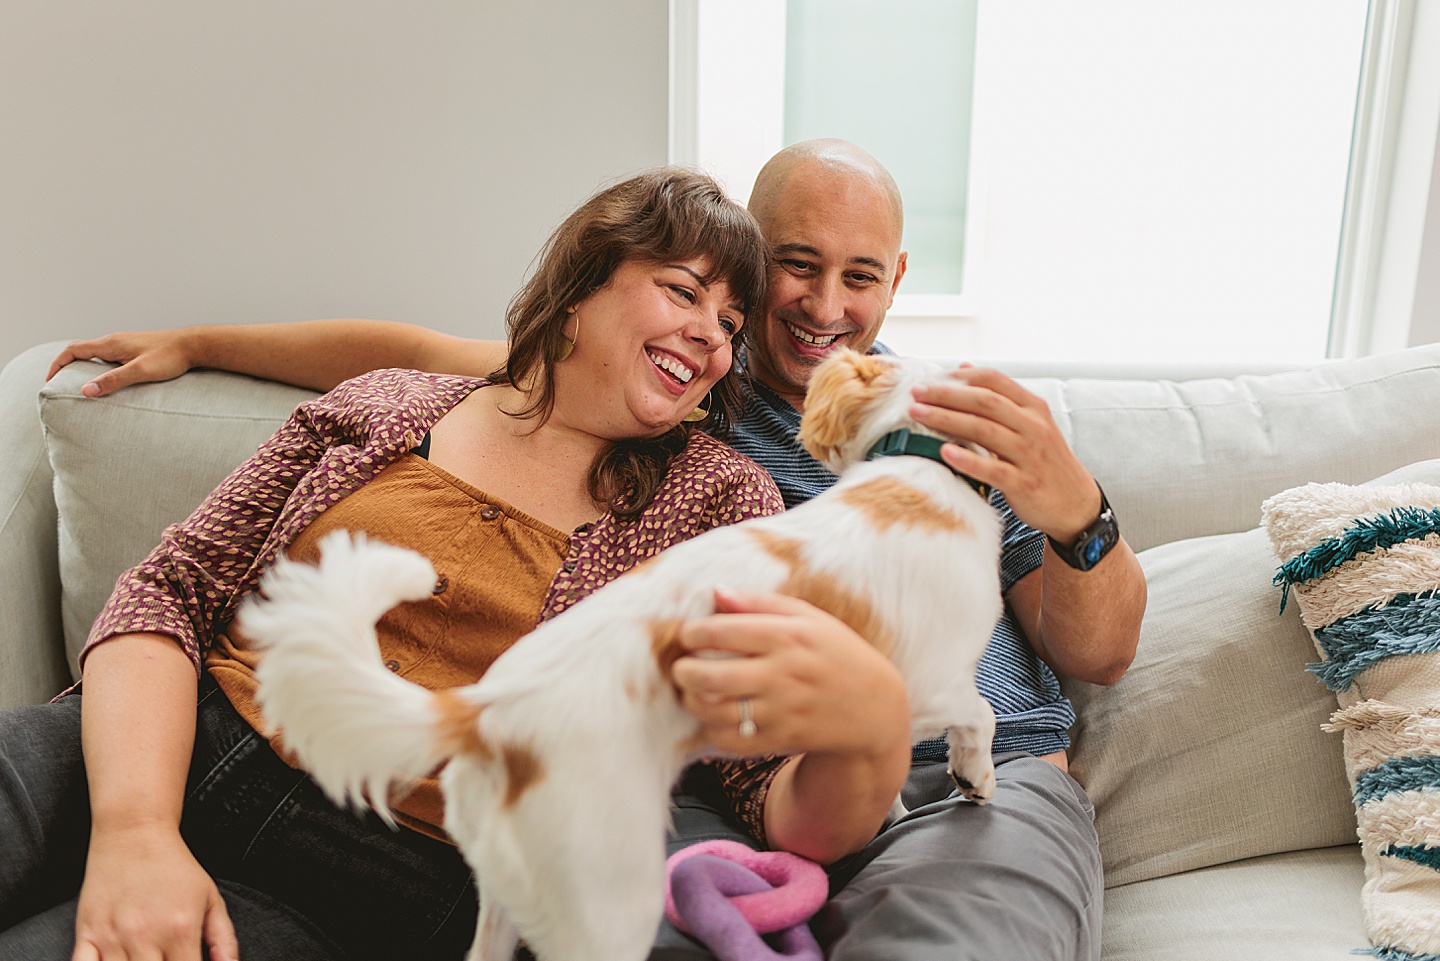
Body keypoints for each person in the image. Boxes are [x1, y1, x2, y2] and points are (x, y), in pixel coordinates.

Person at [49, 139, 1148, 960]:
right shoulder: (680, 405)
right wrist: (198, 341)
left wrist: (1077, 511)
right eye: (792, 269)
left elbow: (1099, 648)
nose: (821, 306)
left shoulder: (939, 418)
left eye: (859, 277)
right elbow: (416, 357)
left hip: (964, 776)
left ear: (897, 282)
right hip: (753, 773)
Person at [3, 166, 838, 961]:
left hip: (376, 871)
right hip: (150, 743)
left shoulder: (719, 502)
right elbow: (169, 592)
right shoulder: (392, 401)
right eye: (684, 291)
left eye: (730, 323)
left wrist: (866, 736)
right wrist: (135, 828)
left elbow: (761, 774)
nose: (709, 333)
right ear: (584, 286)